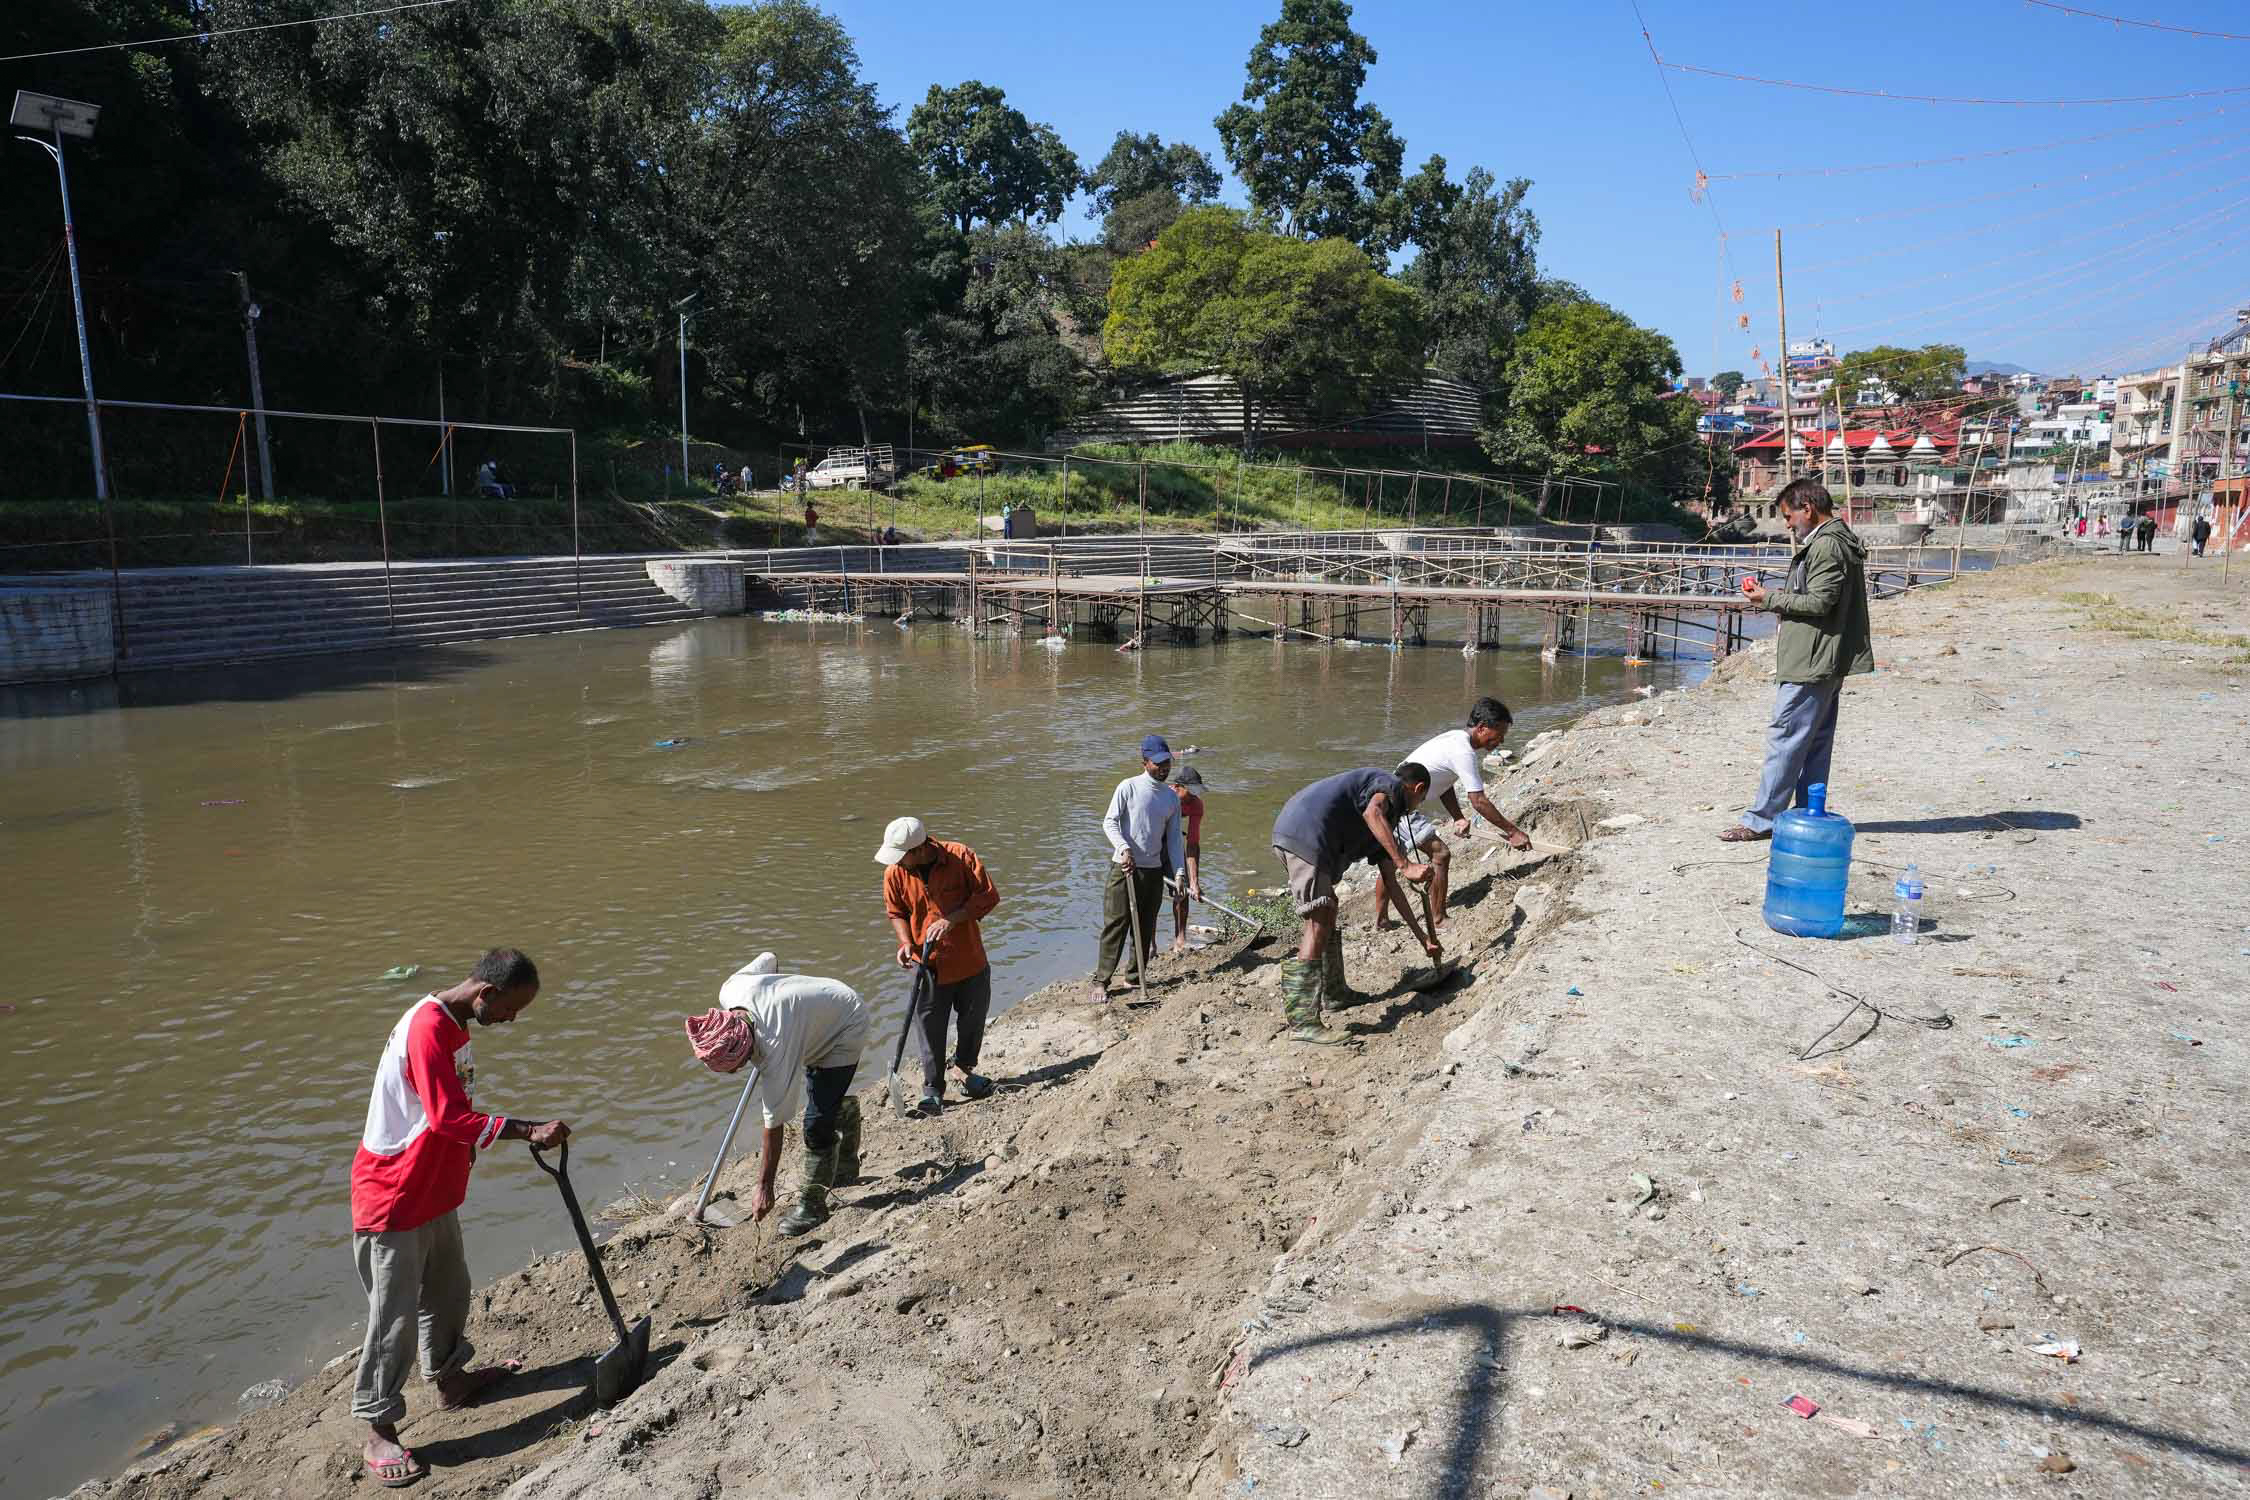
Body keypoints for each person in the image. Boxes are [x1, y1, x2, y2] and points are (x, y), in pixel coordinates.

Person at [349, 949, 570, 1490]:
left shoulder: (454, 1023)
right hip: (396, 1194)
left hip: (435, 1188)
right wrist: (526, 1129)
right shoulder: (428, 1028)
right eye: (511, 1009)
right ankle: (378, 1426)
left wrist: (468, 1155)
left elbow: (447, 1108)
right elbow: (448, 1116)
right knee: (394, 1316)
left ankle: (449, 1380)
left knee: (450, 1291)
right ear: (485, 994)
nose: (512, 1020)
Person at [1721, 477, 1873, 843]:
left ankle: (1762, 819)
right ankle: (1808, 812)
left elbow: (1820, 603)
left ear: (1808, 509)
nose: (1787, 524)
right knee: (1815, 740)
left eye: (1789, 516)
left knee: (1786, 737)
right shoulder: (1836, 541)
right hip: (1824, 656)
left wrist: (1768, 598)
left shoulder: (1826, 547)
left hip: (1812, 658)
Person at [1269, 764, 1442, 1044]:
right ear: (1418, 789)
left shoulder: (1386, 825)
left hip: (1305, 836)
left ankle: (1335, 993)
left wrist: (1423, 939)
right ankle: (1302, 1021)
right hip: (1304, 835)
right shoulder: (1388, 786)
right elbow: (1373, 812)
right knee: (1319, 918)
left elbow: (1393, 884)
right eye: (1420, 802)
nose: (1414, 809)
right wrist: (1406, 863)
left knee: (1328, 909)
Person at [706, 952, 870, 1236]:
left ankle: (812, 1207)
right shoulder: (731, 989)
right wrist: (781, 999)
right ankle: (844, 1157)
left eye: (736, 1067)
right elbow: (769, 958)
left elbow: (774, 1125)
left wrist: (764, 1187)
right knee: (824, 1099)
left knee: (816, 1126)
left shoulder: (775, 1050)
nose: (735, 1074)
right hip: (814, 1015)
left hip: (845, 1023)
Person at [1374, 697, 1532, 934]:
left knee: (1389, 862)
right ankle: (1438, 918)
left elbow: (1444, 782)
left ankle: (1381, 920)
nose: (1500, 740)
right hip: (1400, 805)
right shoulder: (1463, 751)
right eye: (1498, 733)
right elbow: (1478, 801)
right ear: (1481, 728)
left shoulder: (1455, 740)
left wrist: (1458, 816)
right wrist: (1513, 831)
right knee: (1441, 854)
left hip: (1389, 801)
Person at [877, 816, 1001, 1116]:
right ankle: (933, 1088)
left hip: (968, 957)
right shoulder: (895, 872)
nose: (897, 863)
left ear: (919, 849)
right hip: (927, 965)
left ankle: (963, 1070)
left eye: (901, 856)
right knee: (929, 1028)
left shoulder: (961, 856)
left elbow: (988, 897)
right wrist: (905, 943)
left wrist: (951, 920)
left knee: (973, 1020)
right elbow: (896, 912)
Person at [1088, 734, 1186, 1003]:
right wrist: (1124, 848)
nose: (1164, 768)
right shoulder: (1128, 787)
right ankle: (1102, 981)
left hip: (1153, 870)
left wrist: (1179, 873)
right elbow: (1109, 823)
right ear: (1144, 762)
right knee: (1116, 925)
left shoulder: (1171, 798)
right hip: (1125, 868)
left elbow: (1175, 840)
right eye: (1158, 764)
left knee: (1145, 926)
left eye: (1167, 763)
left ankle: (1134, 977)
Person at [1168, 765, 1208, 954]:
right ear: (1176, 787)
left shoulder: (1196, 805)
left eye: (1195, 792)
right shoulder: (1162, 797)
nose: (1193, 796)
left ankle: (1180, 938)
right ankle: (1150, 944)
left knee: (1182, 889)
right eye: (1189, 792)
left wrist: (1194, 881)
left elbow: (1192, 844)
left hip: (1174, 842)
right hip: (1151, 842)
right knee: (1148, 896)